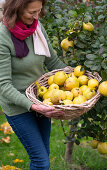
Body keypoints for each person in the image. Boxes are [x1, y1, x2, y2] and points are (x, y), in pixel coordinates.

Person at [0, 0, 66, 169]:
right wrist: (34, 106)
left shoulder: (36, 28)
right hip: (18, 106)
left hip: (41, 99)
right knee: (41, 162)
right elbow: (4, 86)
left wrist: (80, 77)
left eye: (39, 11)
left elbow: (53, 63)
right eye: (31, 12)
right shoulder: (2, 37)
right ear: (17, 9)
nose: (37, 16)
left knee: (44, 154)